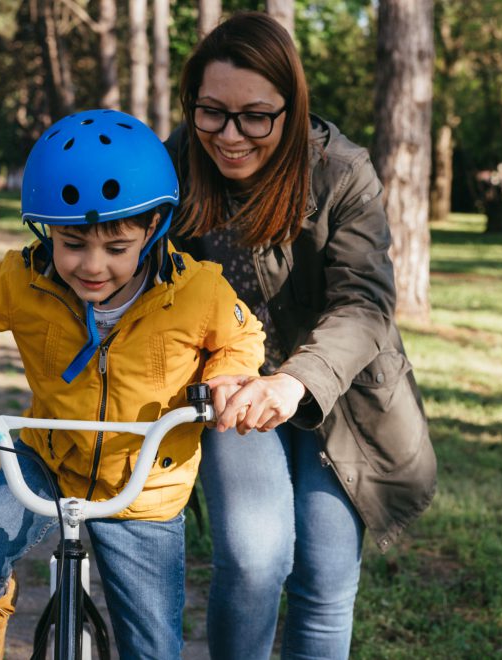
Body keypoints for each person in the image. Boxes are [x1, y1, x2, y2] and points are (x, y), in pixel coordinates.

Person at [0, 109, 265, 660]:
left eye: (116, 248)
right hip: (47, 457)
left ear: (155, 229)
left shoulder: (197, 291)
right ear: (46, 231)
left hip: (145, 489)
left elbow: (241, 338)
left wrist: (226, 380)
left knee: (154, 650)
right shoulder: (25, 279)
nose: (93, 266)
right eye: (72, 243)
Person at [165, 12, 438, 659]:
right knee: (256, 560)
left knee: (324, 573)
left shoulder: (342, 172)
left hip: (340, 395)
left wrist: (296, 381)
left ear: (291, 107)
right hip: (232, 389)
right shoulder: (176, 162)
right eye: (211, 112)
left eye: (255, 115)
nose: (229, 136)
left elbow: (365, 303)